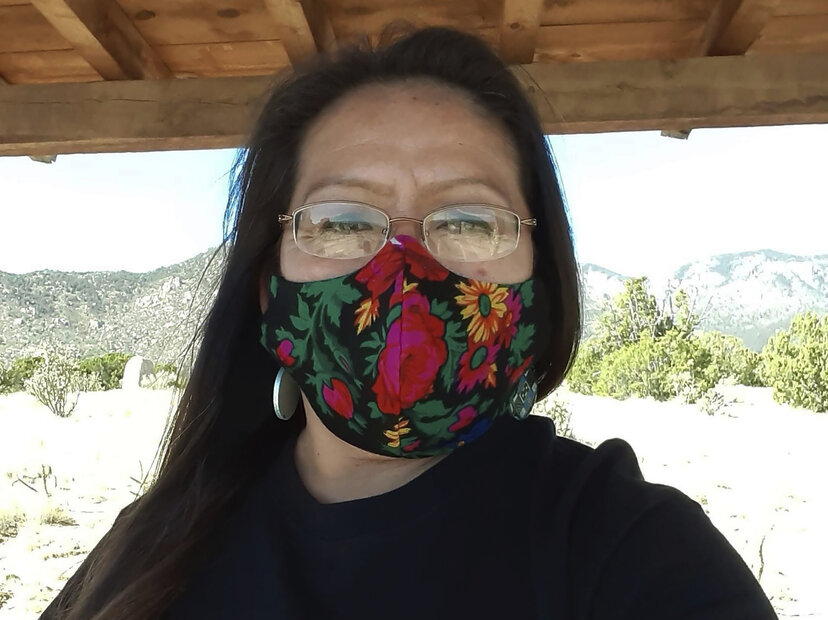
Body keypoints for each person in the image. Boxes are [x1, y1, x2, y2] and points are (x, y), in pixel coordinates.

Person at [42, 25, 778, 620]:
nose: (404, 265)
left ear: (538, 280)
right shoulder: (153, 548)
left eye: (469, 219)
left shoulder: (630, 552)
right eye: (340, 220)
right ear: (270, 290)